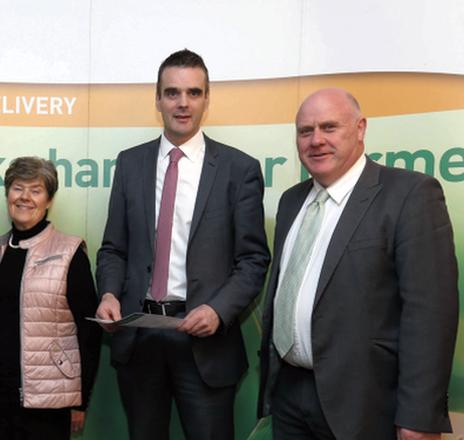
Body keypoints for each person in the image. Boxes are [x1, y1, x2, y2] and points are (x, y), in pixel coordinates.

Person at [258, 88, 458, 440]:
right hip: (289, 394)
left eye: (329, 127)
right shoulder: (291, 201)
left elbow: (431, 313)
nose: (316, 140)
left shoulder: (409, 195)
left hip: (365, 404)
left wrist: (419, 416)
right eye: (305, 131)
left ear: (361, 128)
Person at [95, 49, 270, 439]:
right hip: (139, 339)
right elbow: (113, 249)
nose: (183, 103)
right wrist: (108, 293)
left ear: (207, 98)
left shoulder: (239, 170)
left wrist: (219, 310)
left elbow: (253, 259)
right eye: (172, 92)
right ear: (157, 99)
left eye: (193, 92)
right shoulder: (130, 164)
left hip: (205, 344)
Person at [0, 156, 102, 440]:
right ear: (7, 194)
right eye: (17, 188)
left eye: (36, 190)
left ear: (49, 200)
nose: (25, 197)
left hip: (48, 403)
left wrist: (80, 401)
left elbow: (89, 333)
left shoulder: (70, 253)